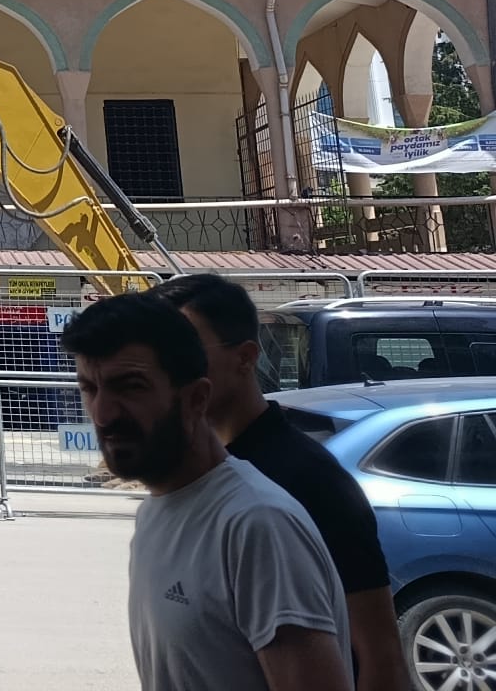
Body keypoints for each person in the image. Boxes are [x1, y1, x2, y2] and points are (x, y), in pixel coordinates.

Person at [60, 290, 353, 691]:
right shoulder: (154, 514)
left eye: (130, 387)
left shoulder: (256, 526)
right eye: (90, 389)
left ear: (196, 398)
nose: (103, 413)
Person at [153, 274, 409, 691]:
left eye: (184, 352)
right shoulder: (195, 476)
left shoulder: (304, 481)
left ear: (245, 357)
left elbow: (381, 658)